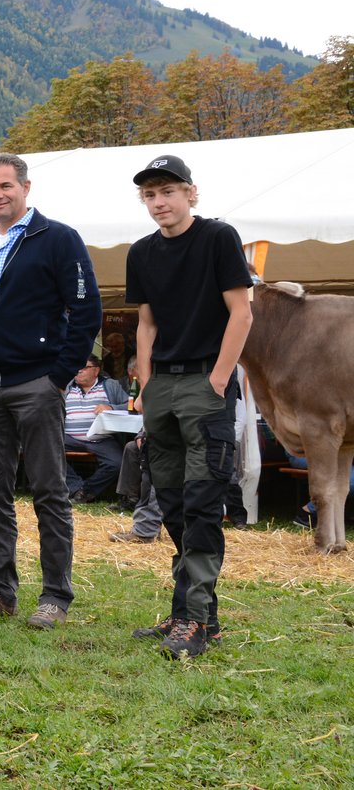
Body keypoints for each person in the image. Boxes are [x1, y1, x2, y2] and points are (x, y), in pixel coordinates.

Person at [0, 152, 101, 630]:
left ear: (25, 187)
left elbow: (86, 311)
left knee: (48, 491)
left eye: (5, 186)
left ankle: (55, 595)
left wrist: (58, 376)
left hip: (36, 382)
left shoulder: (57, 239)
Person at [126, 153, 252, 659]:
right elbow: (147, 324)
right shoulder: (141, 252)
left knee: (202, 505)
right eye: (150, 195)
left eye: (168, 192)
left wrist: (219, 380)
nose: (159, 202)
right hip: (163, 389)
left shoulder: (218, 237)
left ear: (190, 193)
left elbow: (241, 313)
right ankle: (193, 613)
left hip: (206, 383)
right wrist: (147, 384)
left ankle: (194, 622)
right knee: (174, 506)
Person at [62, 355, 129, 502]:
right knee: (45, 450)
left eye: (84, 367)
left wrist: (111, 407)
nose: (79, 371)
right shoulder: (67, 386)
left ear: (96, 370)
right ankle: (77, 488)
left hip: (101, 438)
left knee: (117, 463)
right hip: (69, 438)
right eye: (77, 367)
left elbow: (130, 405)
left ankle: (86, 491)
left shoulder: (110, 385)